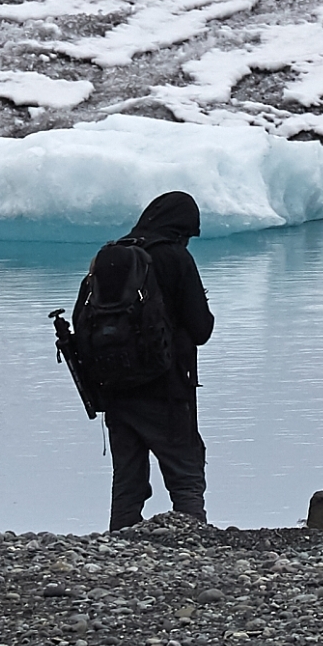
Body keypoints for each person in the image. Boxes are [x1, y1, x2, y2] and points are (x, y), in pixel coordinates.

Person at [87, 190, 214, 530]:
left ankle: (118, 545)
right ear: (181, 229)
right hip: (167, 391)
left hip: (115, 391)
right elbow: (201, 328)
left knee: (127, 482)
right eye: (188, 235)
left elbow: (83, 322)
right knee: (186, 474)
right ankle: (195, 542)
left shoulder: (110, 257)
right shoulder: (175, 257)